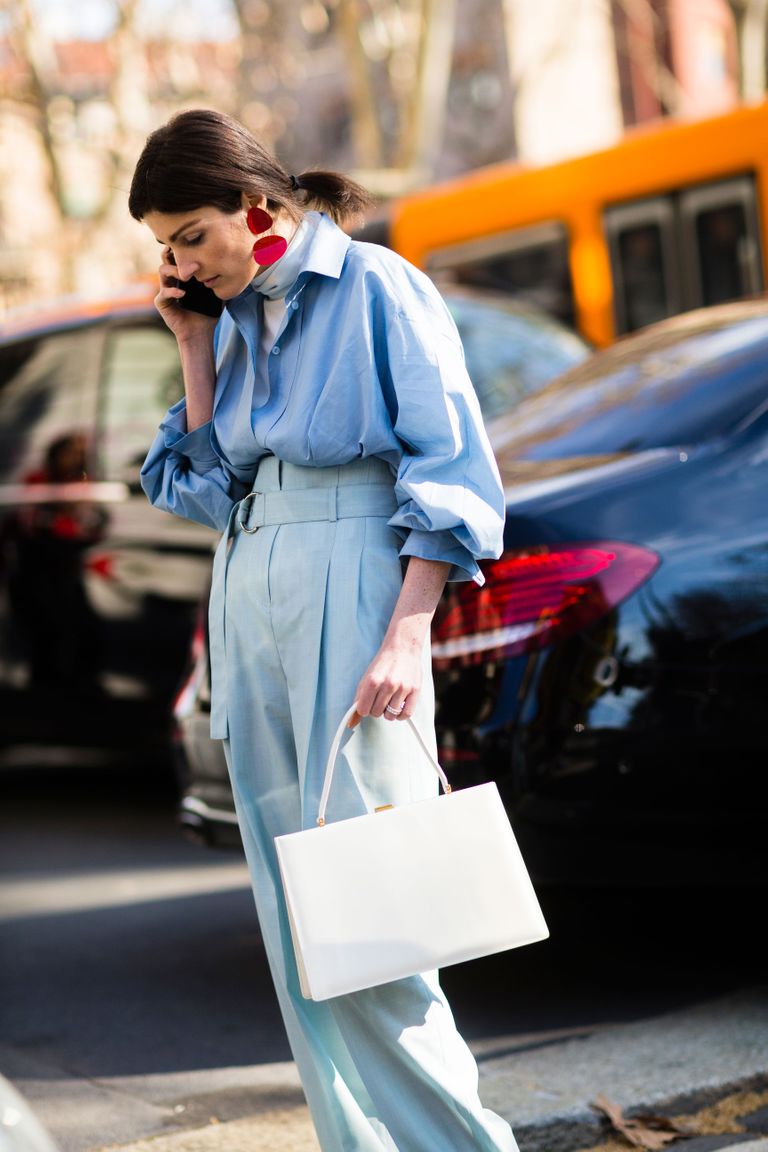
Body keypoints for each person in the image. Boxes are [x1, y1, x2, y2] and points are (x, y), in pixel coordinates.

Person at [130, 108, 516, 1152]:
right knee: (300, 914)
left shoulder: (380, 288)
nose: (181, 261)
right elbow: (209, 488)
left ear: (257, 206)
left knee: (378, 912)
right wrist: (195, 347)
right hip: (249, 578)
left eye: (193, 235)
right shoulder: (233, 311)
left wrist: (406, 633)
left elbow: (450, 466)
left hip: (350, 578)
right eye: (165, 246)